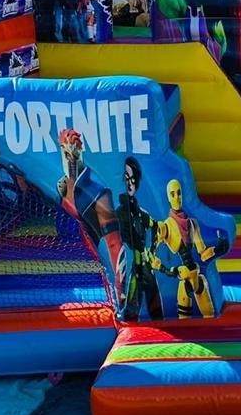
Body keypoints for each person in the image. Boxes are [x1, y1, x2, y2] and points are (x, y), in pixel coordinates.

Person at [55, 128, 124, 291]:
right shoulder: (59, 187)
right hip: (66, 262)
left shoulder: (98, 195)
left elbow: (114, 244)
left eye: (74, 152)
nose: (71, 157)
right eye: (67, 152)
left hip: (95, 268)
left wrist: (120, 287)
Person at [154, 178, 224, 317]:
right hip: (183, 278)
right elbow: (151, 256)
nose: (177, 197)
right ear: (168, 197)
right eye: (173, 194)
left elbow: (203, 253)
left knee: (209, 316)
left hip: (197, 278)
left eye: (179, 193)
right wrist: (169, 270)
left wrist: (219, 247)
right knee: (185, 320)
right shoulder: (165, 227)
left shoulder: (192, 224)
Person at [116, 156, 162, 320]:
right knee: (132, 305)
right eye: (127, 178)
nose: (129, 183)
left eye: (133, 179)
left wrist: (152, 249)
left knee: (155, 305)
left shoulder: (142, 214)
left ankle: (159, 328)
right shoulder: (120, 213)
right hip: (131, 265)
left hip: (145, 266)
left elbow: (156, 227)